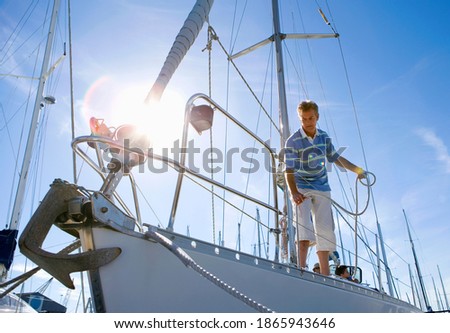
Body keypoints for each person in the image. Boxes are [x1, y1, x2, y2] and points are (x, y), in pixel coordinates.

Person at [284, 100, 366, 276]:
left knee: (324, 229)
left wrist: (357, 170)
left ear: (317, 117)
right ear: (300, 119)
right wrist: (294, 192)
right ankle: (301, 268)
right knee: (303, 224)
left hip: (321, 185)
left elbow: (336, 158)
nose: (308, 122)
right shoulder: (293, 141)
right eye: (304, 119)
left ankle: (324, 274)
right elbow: (288, 170)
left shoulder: (324, 137)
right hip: (301, 185)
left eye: (311, 118)